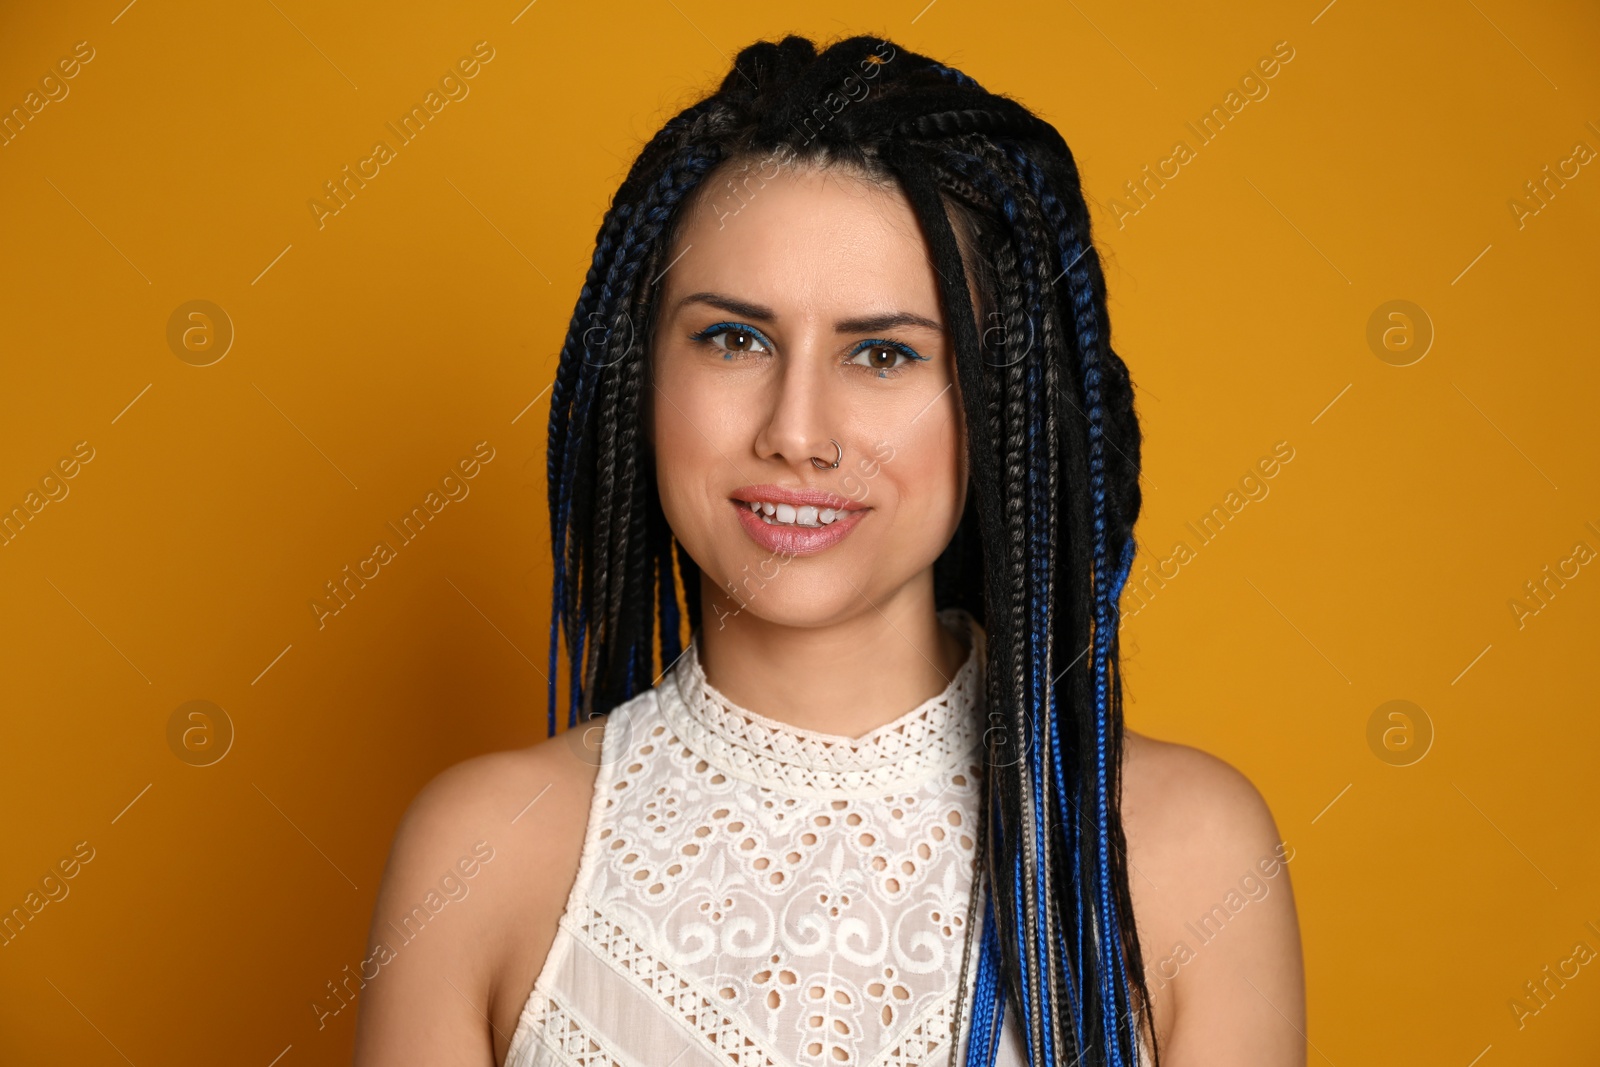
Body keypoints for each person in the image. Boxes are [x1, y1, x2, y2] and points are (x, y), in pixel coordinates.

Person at [353, 34, 1304, 1067]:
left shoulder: (1186, 853)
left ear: (997, 403)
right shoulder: (480, 854)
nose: (796, 430)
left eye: (884, 353)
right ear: (642, 370)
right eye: (734, 338)